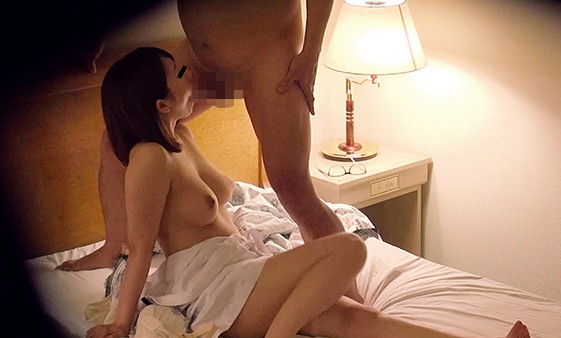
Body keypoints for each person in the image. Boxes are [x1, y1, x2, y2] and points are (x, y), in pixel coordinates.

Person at [85, 46, 531, 338]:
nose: (190, 76)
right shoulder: (148, 158)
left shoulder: (179, 137)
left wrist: (263, 79)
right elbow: (140, 248)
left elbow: (220, 159)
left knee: (356, 318)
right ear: (161, 104)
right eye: (179, 74)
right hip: (215, 290)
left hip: (242, 268)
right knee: (348, 248)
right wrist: (121, 322)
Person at [58, 0, 362, 300]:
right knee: (119, 135)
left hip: (268, 61)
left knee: (292, 186)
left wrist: (310, 54)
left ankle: (348, 292)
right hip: (196, 65)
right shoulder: (180, 74)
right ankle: (115, 247)